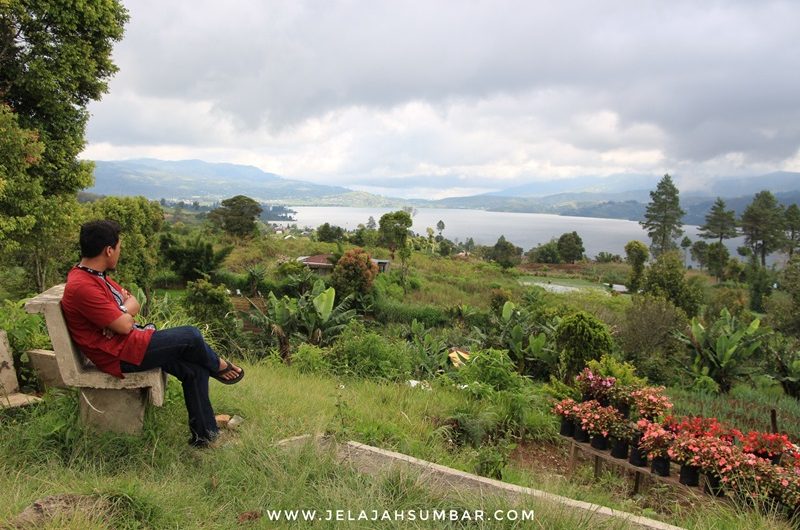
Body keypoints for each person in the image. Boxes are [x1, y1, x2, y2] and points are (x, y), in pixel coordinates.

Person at [61, 219, 244, 447]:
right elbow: (125, 325)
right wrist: (120, 318)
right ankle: (218, 365)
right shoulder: (83, 285)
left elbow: (133, 302)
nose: (119, 253)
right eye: (118, 248)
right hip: (119, 354)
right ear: (108, 250)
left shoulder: (95, 276)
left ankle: (205, 437)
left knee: (194, 370)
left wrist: (117, 315)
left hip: (129, 344)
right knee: (191, 335)